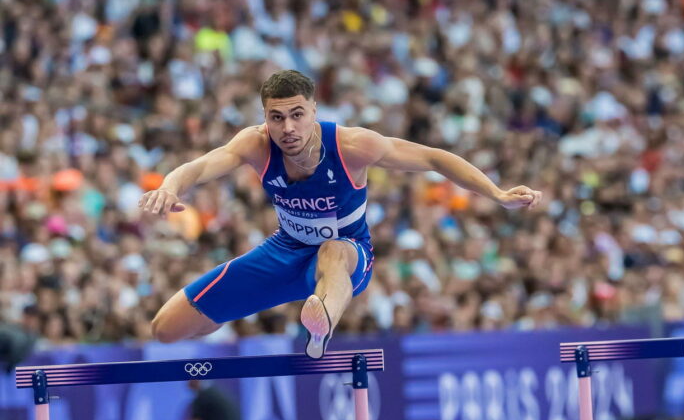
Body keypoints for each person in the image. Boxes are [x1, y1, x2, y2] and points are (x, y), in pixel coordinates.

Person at [140, 70, 542, 358]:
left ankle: (321, 326)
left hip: (348, 254)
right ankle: (231, 311)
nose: (288, 128)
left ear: (314, 110)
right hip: (285, 250)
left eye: (297, 114)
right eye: (276, 117)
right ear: (265, 118)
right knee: (166, 330)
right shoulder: (256, 144)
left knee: (333, 249)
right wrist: (170, 186)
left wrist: (497, 193)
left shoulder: (352, 146)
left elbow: (434, 157)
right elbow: (204, 164)